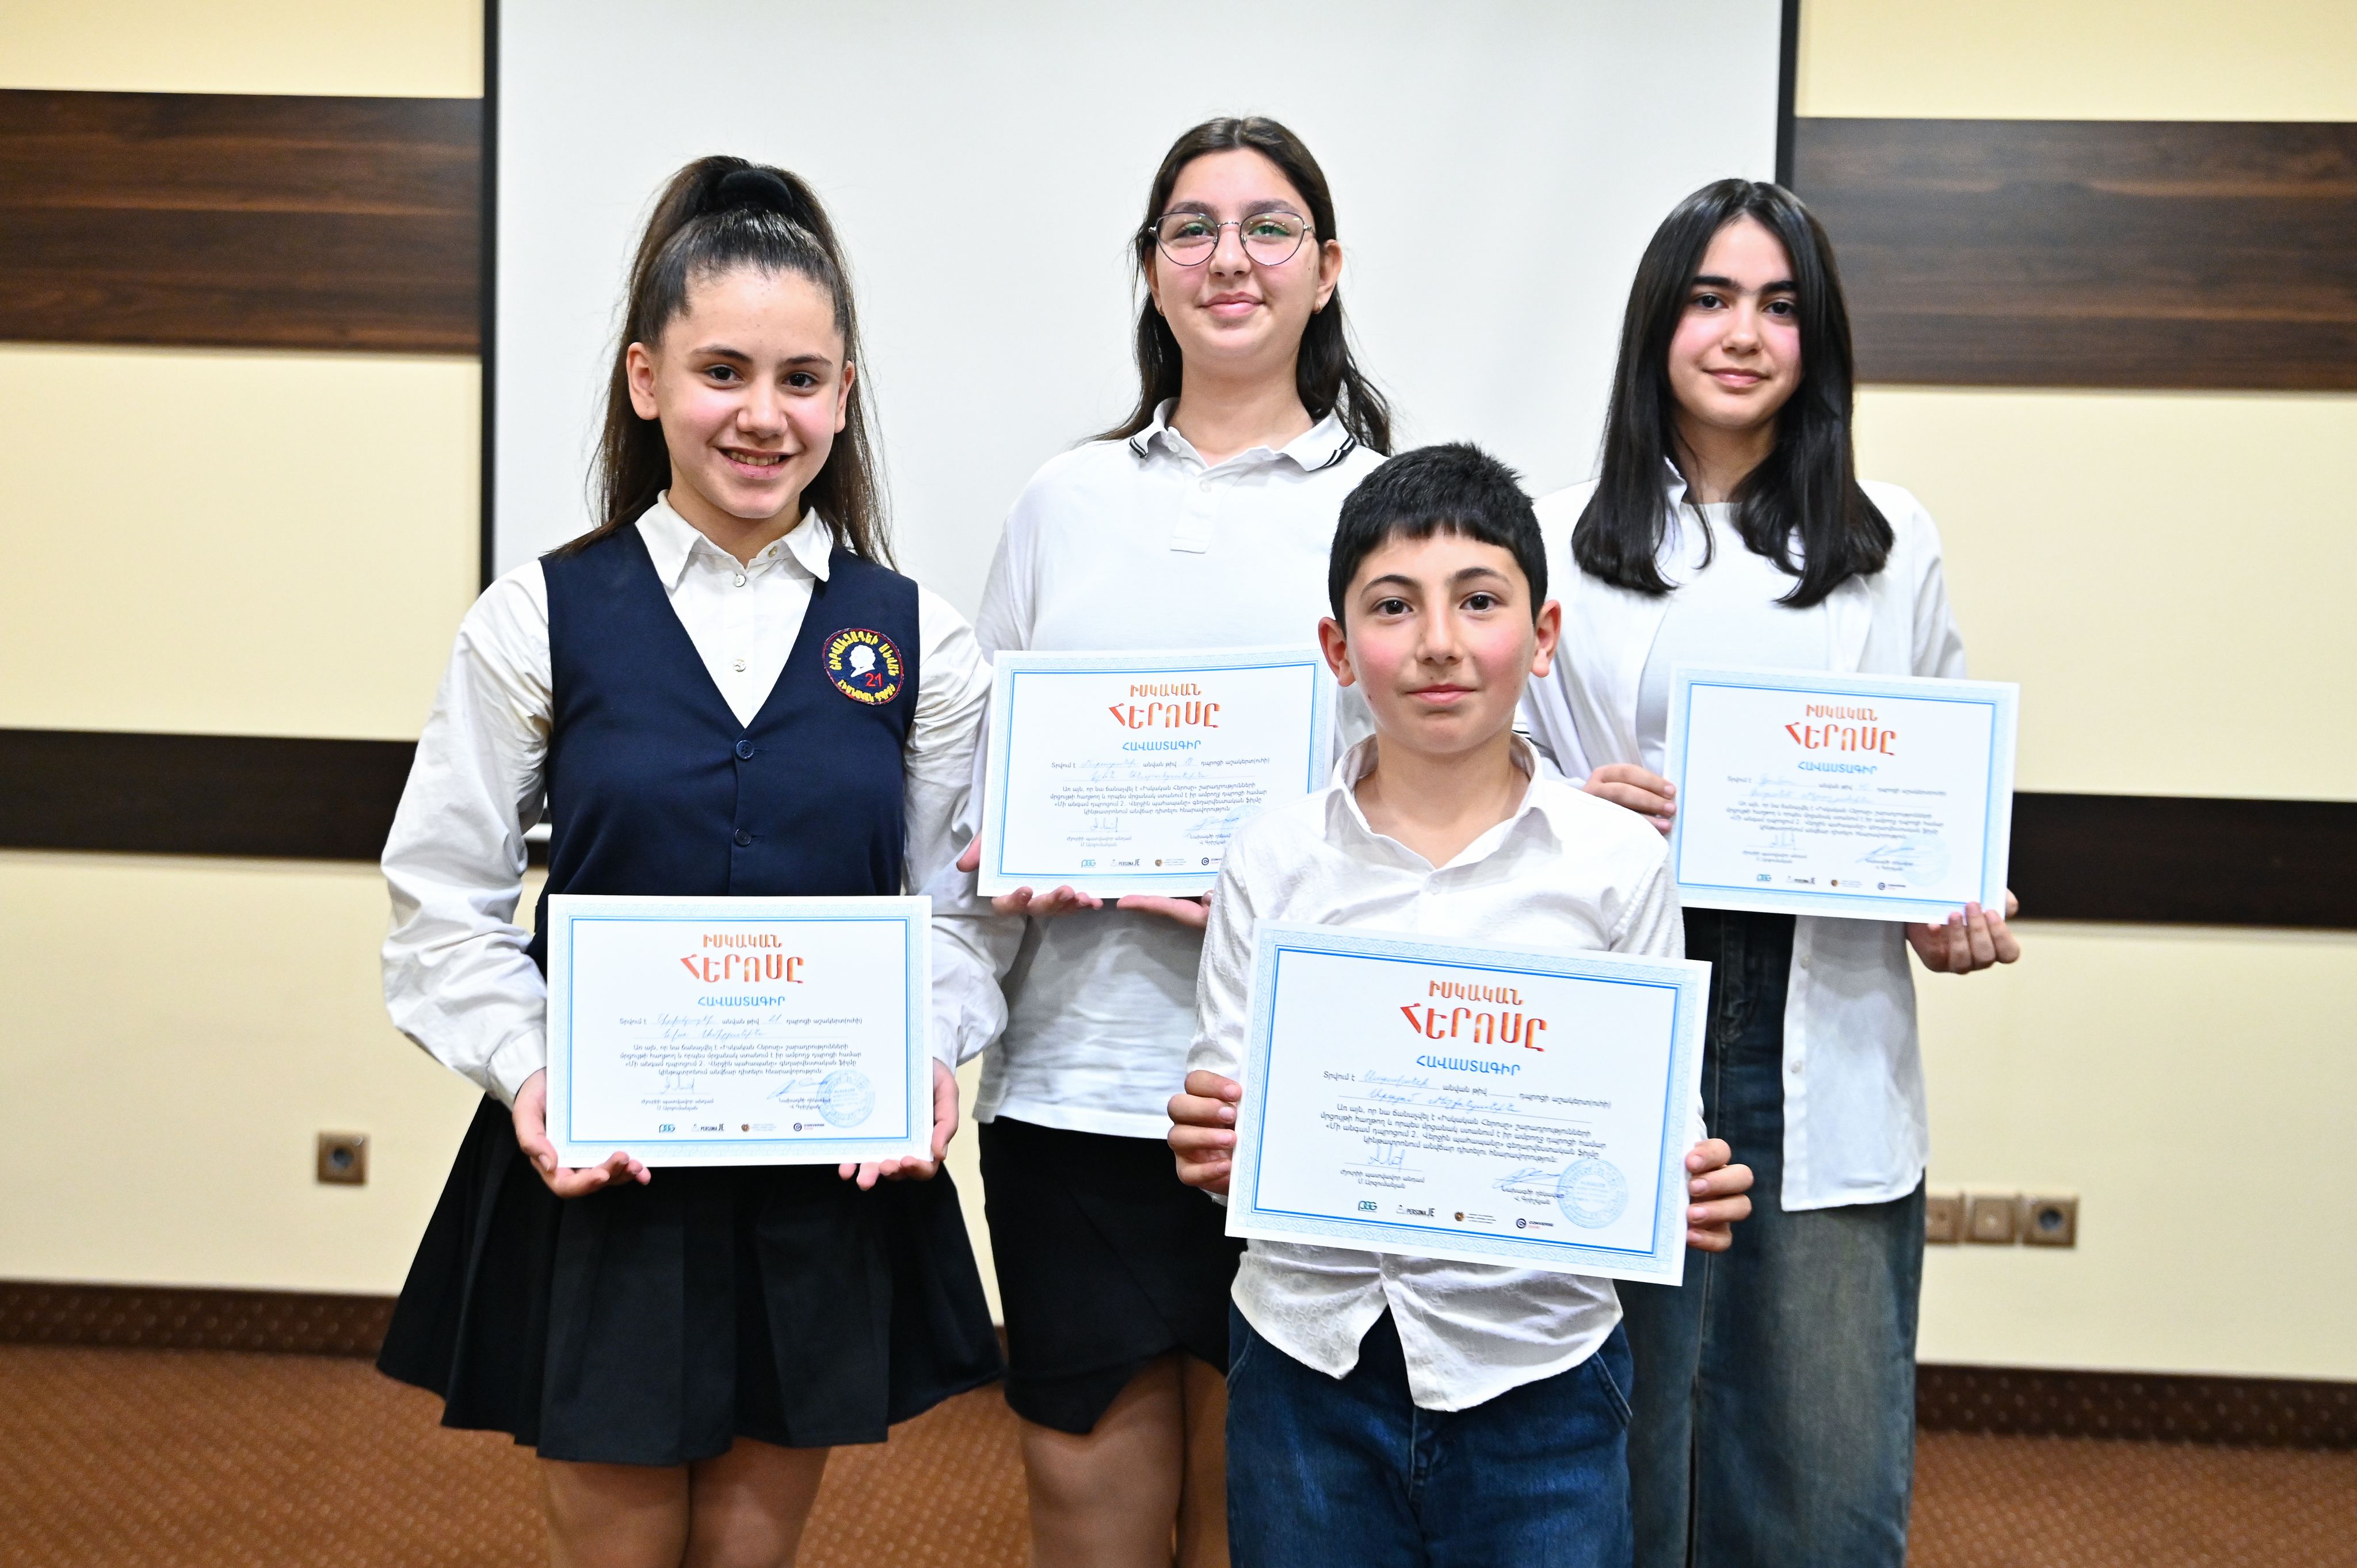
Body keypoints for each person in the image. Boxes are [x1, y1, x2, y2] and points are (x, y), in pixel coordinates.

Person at [375, 156, 1001, 1568]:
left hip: (816, 1175)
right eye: (724, 372)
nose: (763, 415)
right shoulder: (536, 618)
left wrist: (927, 1046)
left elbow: (954, 913)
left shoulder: (922, 640)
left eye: (801, 379)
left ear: (842, 395)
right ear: (647, 380)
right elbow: (442, 902)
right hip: (611, 1174)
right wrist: (531, 1069)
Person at [1521, 178, 2022, 1568]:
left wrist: (1954, 902)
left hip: (1818, 1012)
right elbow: (1476, 772)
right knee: (1615, 1456)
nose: (1741, 334)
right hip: (1631, 1003)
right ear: (1656, 323)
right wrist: (1564, 804)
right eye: (1709, 299)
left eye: (1778, 306)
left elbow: (1939, 784)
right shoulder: (1552, 534)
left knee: (1815, 1465)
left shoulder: (1887, 537)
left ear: (1818, 339)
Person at [930, 116, 1389, 1568]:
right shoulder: (1062, 503)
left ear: (1325, 268)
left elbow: (1433, 800)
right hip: (1073, 1093)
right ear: (1149, 268)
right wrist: (1002, 855)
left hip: (1295, 1096)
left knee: (1269, 1526)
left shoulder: (1386, 508)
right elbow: (974, 795)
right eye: (1191, 229)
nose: (1227, 259)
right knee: (1093, 1525)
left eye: (1267, 228)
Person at [1167, 443, 1755, 1567]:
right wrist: (1215, 1142)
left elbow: (1655, 1120)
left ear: (1542, 636)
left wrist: (1677, 1180)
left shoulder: (1616, 863)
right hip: (1307, 1358)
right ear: (1340, 649)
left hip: (1540, 1365)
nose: (1437, 640)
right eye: (1393, 606)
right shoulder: (1271, 856)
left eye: (1479, 601)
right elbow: (1230, 1099)